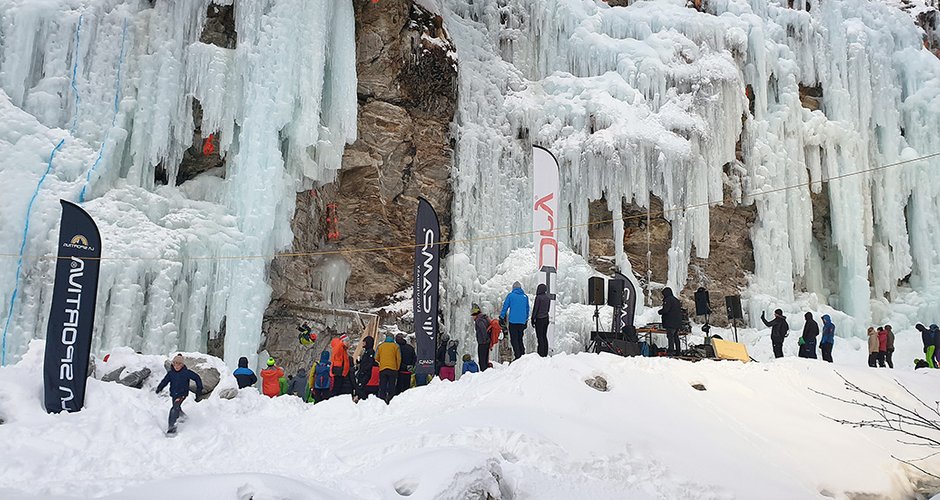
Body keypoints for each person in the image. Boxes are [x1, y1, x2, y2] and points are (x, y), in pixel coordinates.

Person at [155, 354, 203, 435]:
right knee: (177, 407)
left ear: (182, 365)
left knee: (174, 408)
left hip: (182, 394)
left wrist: (199, 390)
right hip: (174, 394)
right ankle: (183, 417)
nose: (177, 366)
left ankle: (172, 428)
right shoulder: (171, 373)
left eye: (179, 364)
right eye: (175, 363)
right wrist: (159, 388)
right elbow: (165, 381)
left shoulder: (186, 373)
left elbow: (197, 378)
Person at [500, 281, 530, 360]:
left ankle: (518, 356)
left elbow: (505, 306)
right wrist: (526, 320)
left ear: (513, 288)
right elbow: (527, 310)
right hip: (522, 322)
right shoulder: (525, 297)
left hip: (513, 321)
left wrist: (501, 317)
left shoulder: (510, 296)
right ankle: (522, 354)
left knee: (514, 339)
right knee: (520, 338)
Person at [376, 334, 401, 403]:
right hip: (393, 369)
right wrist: (397, 368)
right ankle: (391, 400)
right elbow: (399, 358)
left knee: (382, 385)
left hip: (383, 369)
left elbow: (376, 358)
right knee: (391, 386)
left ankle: (382, 400)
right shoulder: (396, 346)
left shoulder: (380, 346)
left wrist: (382, 361)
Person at [658, 288, 683, 356]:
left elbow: (666, 310)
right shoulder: (676, 300)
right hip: (677, 322)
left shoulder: (668, 299)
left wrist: (660, 312)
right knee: (676, 337)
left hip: (670, 322)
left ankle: (671, 351)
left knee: (670, 337)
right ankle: (678, 351)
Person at [531, 284, 551, 357]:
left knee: (539, 337)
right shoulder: (548, 298)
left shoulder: (538, 297)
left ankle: (540, 353)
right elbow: (548, 309)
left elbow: (535, 309)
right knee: (544, 335)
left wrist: (533, 319)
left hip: (539, 319)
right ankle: (545, 352)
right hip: (546, 318)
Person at [356, 336, 377, 401]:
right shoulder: (366, 351)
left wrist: (364, 370)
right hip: (362, 371)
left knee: (361, 387)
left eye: (364, 342)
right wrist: (359, 361)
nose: (363, 344)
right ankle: (361, 400)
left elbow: (370, 363)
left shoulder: (370, 351)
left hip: (366, 373)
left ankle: (364, 400)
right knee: (360, 387)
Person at [471, 304, 491, 371]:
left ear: (475, 314)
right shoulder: (484, 318)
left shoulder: (478, 320)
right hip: (487, 341)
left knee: (482, 360)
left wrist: (485, 338)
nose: (472, 318)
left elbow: (483, 329)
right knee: (485, 359)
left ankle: (483, 373)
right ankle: (485, 372)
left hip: (483, 342)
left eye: (473, 316)